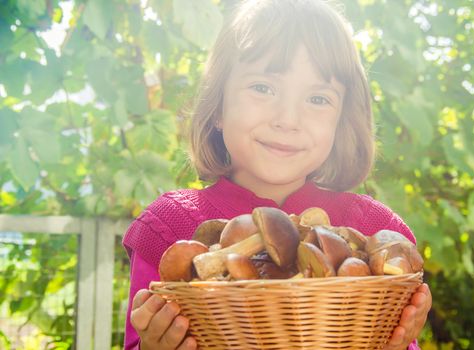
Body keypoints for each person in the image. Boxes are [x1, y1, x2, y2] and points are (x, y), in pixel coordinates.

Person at [122, 0, 433, 349]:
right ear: (218, 106)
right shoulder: (168, 227)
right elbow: (140, 339)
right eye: (263, 88)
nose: (287, 119)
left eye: (317, 99)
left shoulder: (375, 232)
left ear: (341, 122)